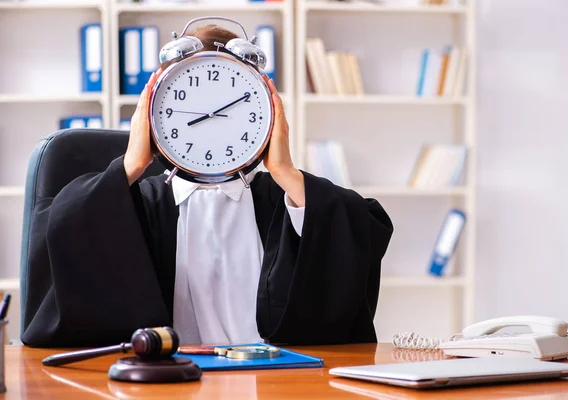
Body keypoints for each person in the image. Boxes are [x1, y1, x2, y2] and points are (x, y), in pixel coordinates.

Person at [21, 25, 393, 347]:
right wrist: (132, 164)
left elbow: (360, 230)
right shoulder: (138, 205)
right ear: (154, 115)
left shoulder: (285, 200)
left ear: (267, 115)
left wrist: (284, 170)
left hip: (272, 386)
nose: (212, 118)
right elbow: (60, 236)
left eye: (235, 106)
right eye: (191, 102)